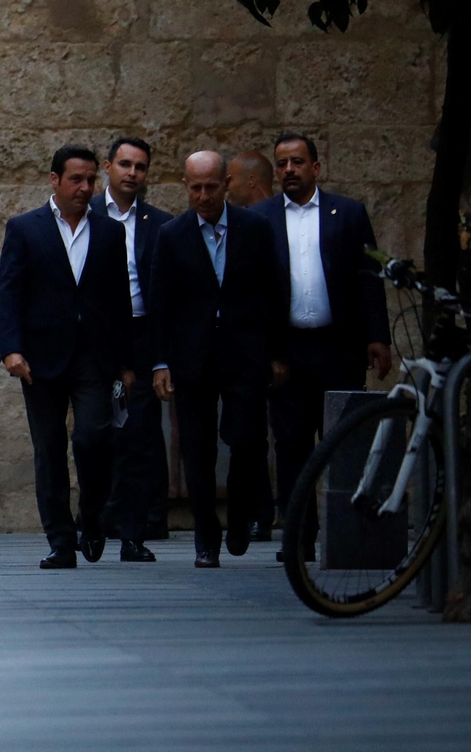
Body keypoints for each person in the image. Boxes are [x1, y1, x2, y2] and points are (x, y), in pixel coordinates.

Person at [253, 133, 392, 563]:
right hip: (288, 353)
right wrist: (268, 353)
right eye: (281, 164)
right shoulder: (260, 219)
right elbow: (255, 293)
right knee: (292, 446)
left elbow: (369, 278)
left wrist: (378, 337)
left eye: (297, 162)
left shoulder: (347, 213)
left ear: (316, 167)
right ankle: (299, 536)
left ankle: (351, 532)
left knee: (345, 442)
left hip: (339, 347)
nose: (289, 170)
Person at [0, 146, 136, 568]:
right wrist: (11, 350)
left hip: (94, 355)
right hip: (40, 357)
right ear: (54, 180)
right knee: (49, 448)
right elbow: (10, 292)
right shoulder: (25, 228)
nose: (85, 188)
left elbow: (119, 301)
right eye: (76, 179)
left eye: (91, 179)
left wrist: (126, 362)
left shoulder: (110, 233)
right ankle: (59, 540)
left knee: (94, 437)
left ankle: (90, 518)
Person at [149, 151, 287, 568]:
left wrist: (278, 353)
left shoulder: (255, 229)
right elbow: (161, 303)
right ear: (185, 186)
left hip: (245, 352)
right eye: (196, 187)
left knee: (246, 440)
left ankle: (241, 513)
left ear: (227, 183)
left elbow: (274, 292)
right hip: (193, 356)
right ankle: (205, 535)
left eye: (211, 186)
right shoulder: (172, 235)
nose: (203, 195)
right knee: (197, 448)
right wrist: (160, 362)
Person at [100, 137, 172, 544]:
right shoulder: (87, 214)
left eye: (140, 167)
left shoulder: (160, 223)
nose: (132, 173)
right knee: (104, 425)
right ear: (108, 167)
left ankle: (149, 517)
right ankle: (105, 512)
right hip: (102, 336)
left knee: (141, 428)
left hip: (144, 333)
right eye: (124, 164)